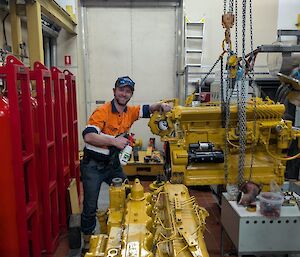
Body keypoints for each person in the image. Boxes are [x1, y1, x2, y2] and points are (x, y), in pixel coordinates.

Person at [80, 76, 171, 252]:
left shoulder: (129, 112)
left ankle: (123, 228)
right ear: (114, 91)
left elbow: (146, 109)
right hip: (93, 166)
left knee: (128, 193)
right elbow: (88, 136)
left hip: (112, 165)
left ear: (131, 94)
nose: (124, 93)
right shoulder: (103, 111)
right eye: (121, 90)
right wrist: (114, 142)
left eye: (128, 91)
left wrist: (161, 106)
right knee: (90, 206)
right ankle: (86, 240)